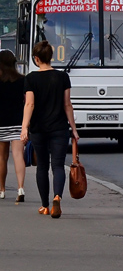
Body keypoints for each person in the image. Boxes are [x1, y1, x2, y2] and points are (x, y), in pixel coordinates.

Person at [20, 40, 79, 219]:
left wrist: (24, 128)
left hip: (39, 129)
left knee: (42, 167)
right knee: (58, 165)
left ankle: (45, 205)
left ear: (36, 59)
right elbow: (67, 104)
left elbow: (29, 104)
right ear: (51, 57)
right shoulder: (62, 77)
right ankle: (57, 197)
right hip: (59, 128)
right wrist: (74, 128)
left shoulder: (30, 78)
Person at [0, 49, 27, 202]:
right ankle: (20, 188)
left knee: (2, 157)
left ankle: (2, 190)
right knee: (18, 155)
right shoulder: (22, 80)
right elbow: (27, 102)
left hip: (1, 123)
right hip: (18, 122)